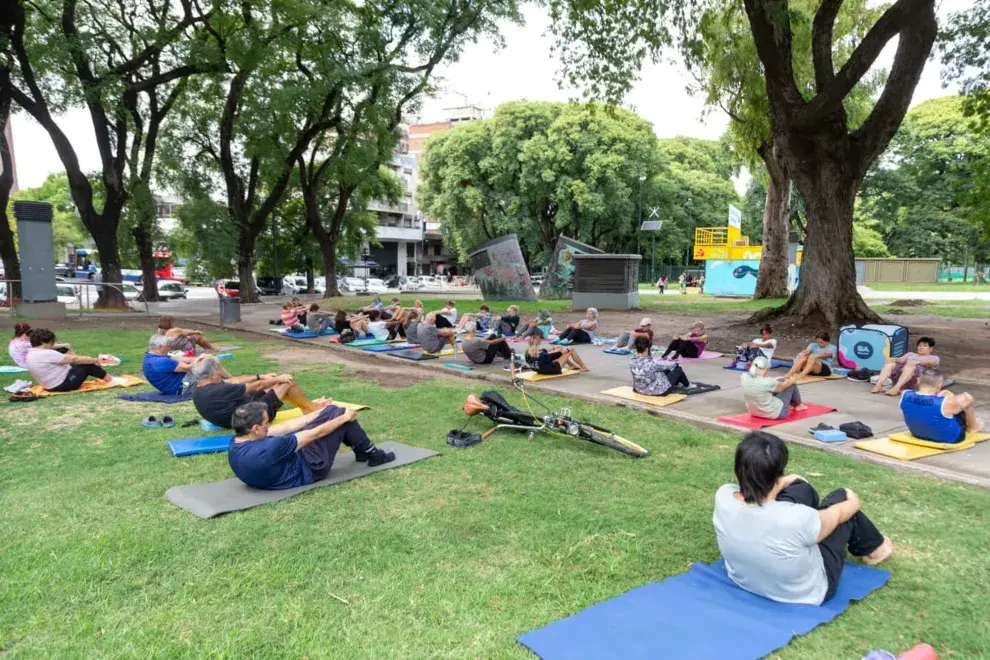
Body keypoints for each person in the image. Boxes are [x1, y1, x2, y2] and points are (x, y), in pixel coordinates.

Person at [713, 432, 893, 605]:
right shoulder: (796, 518)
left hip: (743, 579)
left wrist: (785, 481)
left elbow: (759, 494)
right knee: (841, 498)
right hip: (805, 592)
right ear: (778, 473)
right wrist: (852, 499)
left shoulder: (724, 496)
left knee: (800, 488)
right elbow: (839, 513)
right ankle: (876, 550)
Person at [228, 401, 394, 490]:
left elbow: (286, 427)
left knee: (333, 411)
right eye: (266, 423)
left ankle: (363, 452)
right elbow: (316, 433)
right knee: (340, 415)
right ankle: (373, 453)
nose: (268, 426)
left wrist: (321, 412)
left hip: (277, 471)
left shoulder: (237, 442)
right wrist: (345, 417)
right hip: (311, 468)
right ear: (256, 429)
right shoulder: (270, 447)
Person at [189, 354, 319, 429]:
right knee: (286, 383)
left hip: (236, 413)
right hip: (251, 418)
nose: (221, 372)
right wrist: (279, 378)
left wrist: (261, 376)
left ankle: (307, 406)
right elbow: (256, 387)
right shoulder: (220, 390)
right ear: (212, 375)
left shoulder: (199, 386)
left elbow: (236, 380)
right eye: (219, 370)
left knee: (272, 385)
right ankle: (311, 409)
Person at [899, 368, 985, 443]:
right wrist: (949, 395)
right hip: (950, 438)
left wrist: (943, 395)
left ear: (918, 380)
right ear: (939, 384)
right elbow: (963, 402)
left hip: (917, 434)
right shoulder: (946, 402)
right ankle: (973, 427)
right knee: (967, 398)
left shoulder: (905, 394)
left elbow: (924, 404)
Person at [25, 328, 116, 392]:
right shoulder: (46, 353)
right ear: (45, 342)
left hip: (49, 385)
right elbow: (74, 359)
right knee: (87, 364)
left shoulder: (32, 353)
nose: (52, 344)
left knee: (82, 361)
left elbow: (69, 356)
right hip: (62, 385)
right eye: (51, 342)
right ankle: (112, 380)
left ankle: (106, 376)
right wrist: (94, 360)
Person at [741, 356, 807, 419]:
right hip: (776, 414)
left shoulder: (744, 376)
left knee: (781, 381)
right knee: (791, 385)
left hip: (754, 412)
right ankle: (799, 405)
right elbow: (783, 386)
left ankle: (792, 404)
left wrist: (780, 379)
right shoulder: (767, 382)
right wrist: (793, 380)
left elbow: (761, 383)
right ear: (765, 369)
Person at [871, 336, 941, 396]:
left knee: (910, 365)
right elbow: (901, 360)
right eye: (920, 345)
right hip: (901, 376)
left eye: (924, 346)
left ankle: (896, 388)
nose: (921, 347)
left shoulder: (934, 358)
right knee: (890, 363)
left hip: (916, 381)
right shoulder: (910, 354)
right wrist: (893, 359)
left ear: (931, 348)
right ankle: (879, 385)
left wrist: (917, 362)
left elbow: (931, 363)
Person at [518, 335, 588, 375]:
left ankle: (572, 365)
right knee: (571, 349)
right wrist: (566, 350)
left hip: (539, 370)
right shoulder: (542, 355)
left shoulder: (527, 353)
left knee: (558, 351)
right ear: (538, 343)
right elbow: (557, 355)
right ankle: (583, 367)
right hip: (552, 370)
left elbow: (543, 351)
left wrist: (553, 348)